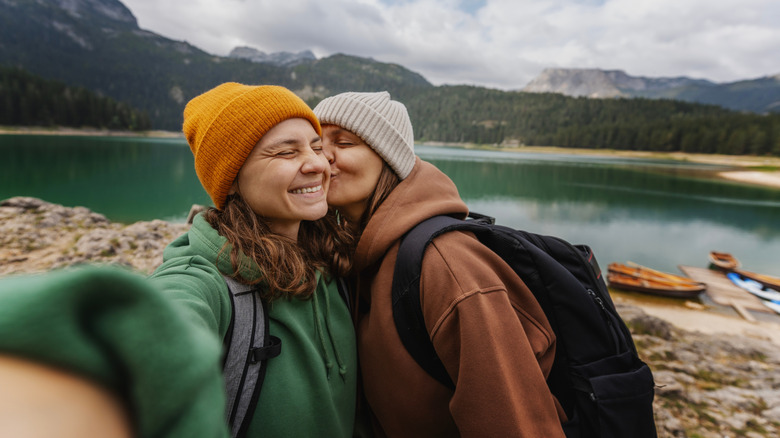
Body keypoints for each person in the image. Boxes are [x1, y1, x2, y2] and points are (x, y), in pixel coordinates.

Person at [0, 83, 359, 438]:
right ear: (231, 180)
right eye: (285, 153)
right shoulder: (205, 279)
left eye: (316, 146)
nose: (316, 164)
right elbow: (156, 327)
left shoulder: (334, 255)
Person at [314, 91, 566, 437]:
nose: (320, 158)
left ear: (388, 157)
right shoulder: (357, 252)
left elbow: (516, 424)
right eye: (316, 144)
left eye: (344, 142)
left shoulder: (445, 264)